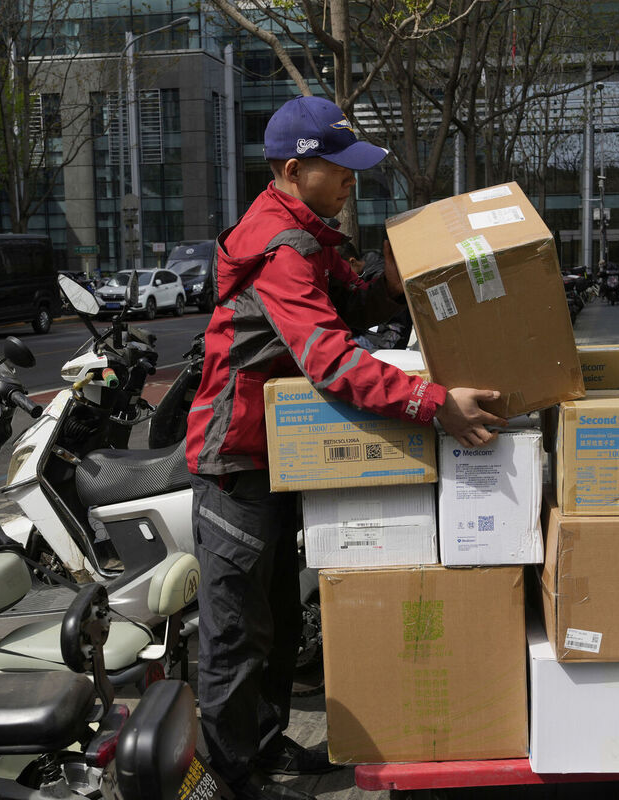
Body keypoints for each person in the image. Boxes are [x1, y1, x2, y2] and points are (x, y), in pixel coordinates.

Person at [185, 95, 505, 800]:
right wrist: (433, 406)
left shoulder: (308, 236)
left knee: (269, 622)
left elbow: (345, 312)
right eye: (341, 171)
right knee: (237, 634)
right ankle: (232, 777)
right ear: (296, 170)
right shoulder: (281, 247)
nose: (351, 182)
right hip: (233, 460)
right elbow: (328, 357)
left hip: (269, 455)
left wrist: (387, 289)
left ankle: (266, 749)